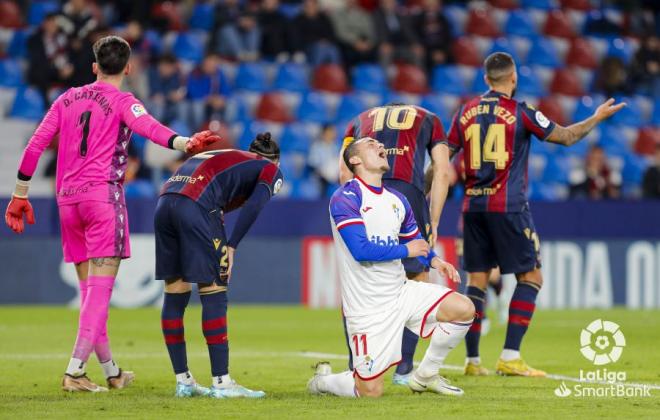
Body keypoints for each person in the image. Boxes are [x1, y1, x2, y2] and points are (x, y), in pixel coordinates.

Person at [4, 35, 218, 392]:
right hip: (101, 199)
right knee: (99, 294)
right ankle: (74, 372)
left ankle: (111, 372)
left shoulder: (66, 98)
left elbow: (35, 145)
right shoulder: (123, 101)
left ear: (94, 67)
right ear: (129, 67)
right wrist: (185, 143)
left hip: (67, 201)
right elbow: (149, 128)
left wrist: (20, 194)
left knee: (91, 295)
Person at [446, 52, 625, 377]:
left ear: (486, 79)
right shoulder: (521, 112)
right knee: (531, 277)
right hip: (508, 206)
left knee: (477, 283)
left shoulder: (464, 112)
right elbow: (568, 137)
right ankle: (510, 356)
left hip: (472, 207)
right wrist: (597, 117)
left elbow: (444, 160)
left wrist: (426, 192)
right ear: (513, 78)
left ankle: (472, 362)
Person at [307, 137, 473, 398]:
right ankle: (324, 382)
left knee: (464, 309)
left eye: (380, 145)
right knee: (370, 391)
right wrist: (408, 251)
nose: (380, 146)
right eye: (371, 144)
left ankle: (426, 375)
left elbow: (413, 240)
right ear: (355, 159)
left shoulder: (396, 200)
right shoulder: (345, 197)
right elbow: (361, 251)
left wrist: (434, 260)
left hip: (401, 292)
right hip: (367, 307)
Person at [155, 133, 283, 398]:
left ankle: (184, 381)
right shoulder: (269, 168)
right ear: (275, 161)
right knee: (214, 291)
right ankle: (222, 382)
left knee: (176, 290)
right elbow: (256, 204)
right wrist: (232, 245)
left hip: (165, 203)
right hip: (197, 206)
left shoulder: (228, 157)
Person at [339, 103, 452, 385]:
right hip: (407, 190)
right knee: (418, 278)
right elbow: (442, 171)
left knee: (359, 279)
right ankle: (404, 368)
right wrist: (434, 221)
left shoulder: (358, 118)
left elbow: (343, 171)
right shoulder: (429, 117)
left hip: (364, 188)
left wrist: (350, 200)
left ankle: (357, 364)